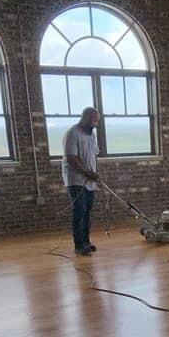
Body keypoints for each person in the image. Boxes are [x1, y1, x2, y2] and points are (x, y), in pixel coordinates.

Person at [62, 107, 101, 255]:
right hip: (76, 180)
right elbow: (71, 158)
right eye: (94, 120)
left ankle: (86, 241)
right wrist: (86, 172)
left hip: (89, 179)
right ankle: (79, 245)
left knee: (87, 211)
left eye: (97, 120)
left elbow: (93, 154)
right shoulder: (72, 133)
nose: (96, 123)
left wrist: (94, 173)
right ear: (85, 118)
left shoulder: (91, 134)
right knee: (80, 210)